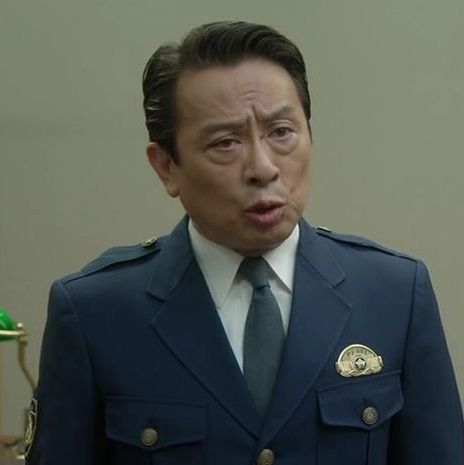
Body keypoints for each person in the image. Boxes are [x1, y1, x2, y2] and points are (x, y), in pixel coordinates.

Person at [26, 21, 463, 465]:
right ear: (166, 167)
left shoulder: (394, 295)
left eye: (281, 132)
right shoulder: (96, 314)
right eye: (226, 142)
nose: (263, 167)